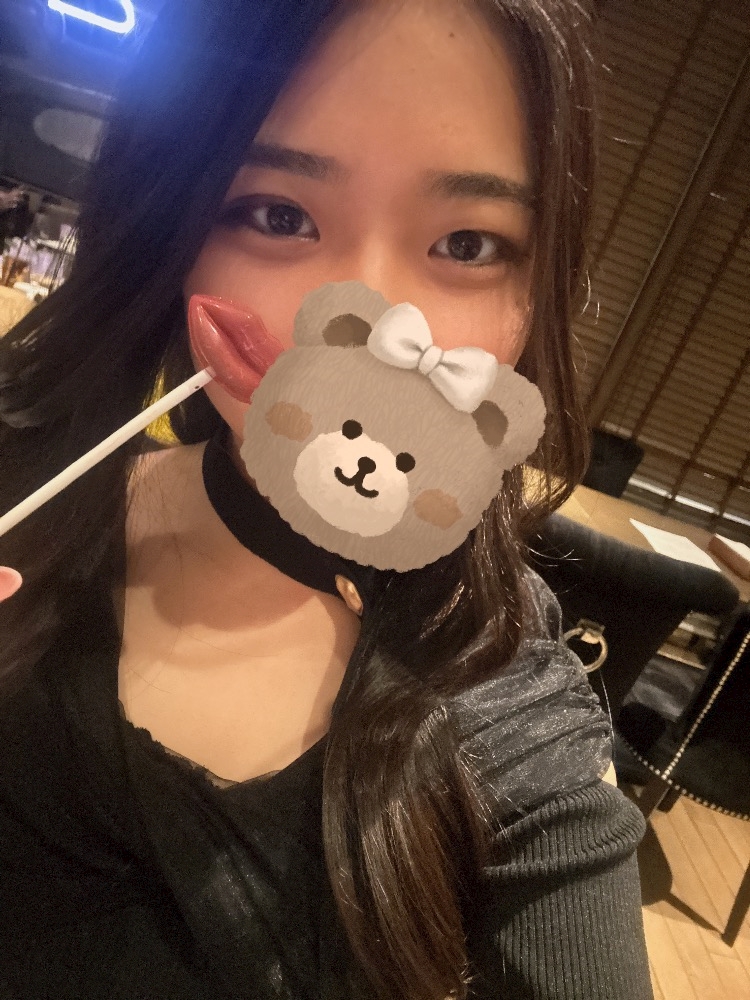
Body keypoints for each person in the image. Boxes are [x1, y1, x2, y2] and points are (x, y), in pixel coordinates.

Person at [0, 1, 653, 998]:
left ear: (534, 297)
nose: (369, 321)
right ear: (174, 228)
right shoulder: (30, 496)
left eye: (467, 243)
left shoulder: (513, 723)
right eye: (278, 215)